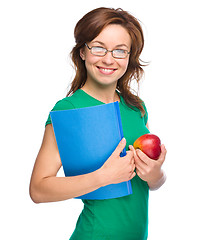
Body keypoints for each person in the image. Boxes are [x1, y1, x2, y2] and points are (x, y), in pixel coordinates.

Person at [29, 7, 167, 240]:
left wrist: (154, 174)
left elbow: (152, 183)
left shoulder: (136, 107)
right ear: (83, 52)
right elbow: (38, 189)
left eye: (119, 51)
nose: (108, 59)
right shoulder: (68, 110)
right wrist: (102, 177)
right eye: (98, 47)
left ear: (129, 57)